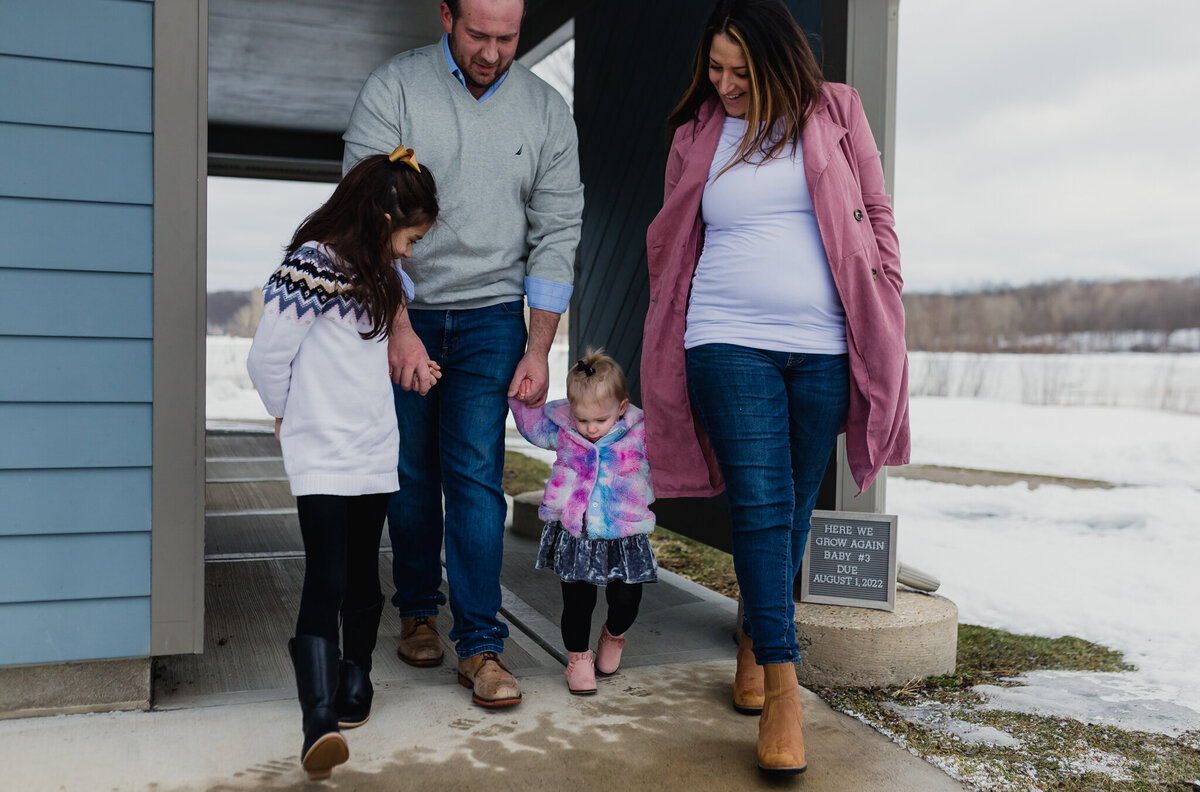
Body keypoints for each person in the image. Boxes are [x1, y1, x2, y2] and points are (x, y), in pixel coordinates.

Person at [641, 0, 910, 776]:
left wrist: (886, 281)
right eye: (716, 68)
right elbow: (674, 236)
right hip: (723, 337)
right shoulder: (697, 133)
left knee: (792, 503)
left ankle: (758, 642)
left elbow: (876, 212)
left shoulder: (836, 111)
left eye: (741, 72)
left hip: (823, 344)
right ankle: (787, 693)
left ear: (778, 62)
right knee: (760, 503)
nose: (724, 84)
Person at [341, 0, 584, 709]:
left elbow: (558, 225)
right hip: (405, 302)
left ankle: (480, 645)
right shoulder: (395, 89)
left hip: (492, 317)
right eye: (478, 34)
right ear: (445, 14)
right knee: (411, 472)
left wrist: (540, 345)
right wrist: (398, 322)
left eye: (507, 37)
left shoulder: (545, 112)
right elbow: (363, 214)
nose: (491, 50)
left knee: (475, 475)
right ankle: (417, 608)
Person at [246, 147, 440, 780]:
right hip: (322, 452)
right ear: (384, 216)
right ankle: (317, 720)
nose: (411, 251)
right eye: (410, 236)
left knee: (363, 574)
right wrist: (285, 414)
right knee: (325, 575)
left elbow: (373, 358)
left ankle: (357, 678)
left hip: (373, 449)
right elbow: (267, 360)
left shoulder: (383, 278)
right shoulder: (311, 267)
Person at [508, 350, 657, 695]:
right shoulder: (564, 431)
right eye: (582, 419)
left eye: (599, 421)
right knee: (578, 603)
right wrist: (520, 396)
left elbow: (674, 438)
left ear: (622, 408)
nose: (590, 429)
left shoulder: (640, 433)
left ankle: (613, 634)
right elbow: (532, 427)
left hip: (624, 531)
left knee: (626, 601)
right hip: (577, 531)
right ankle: (578, 658)